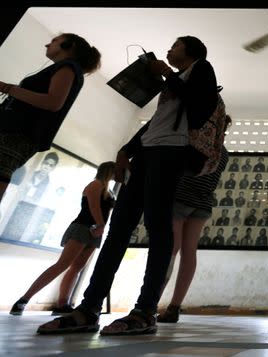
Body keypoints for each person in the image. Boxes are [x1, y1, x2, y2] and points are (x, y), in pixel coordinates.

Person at [36, 36, 219, 336]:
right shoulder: (176, 81)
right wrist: (126, 149)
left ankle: (145, 310)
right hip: (148, 152)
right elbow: (156, 122)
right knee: (119, 227)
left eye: (176, 45)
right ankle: (89, 307)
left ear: (191, 50)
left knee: (159, 230)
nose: (170, 49)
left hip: (171, 152)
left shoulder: (203, 69)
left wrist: (168, 74)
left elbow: (200, 109)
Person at [0, 34, 101, 205]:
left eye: (54, 41)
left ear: (69, 45)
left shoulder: (68, 67)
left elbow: (53, 102)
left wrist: (7, 88)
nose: (47, 44)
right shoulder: (66, 68)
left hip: (15, 135)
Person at [10, 162, 116, 315]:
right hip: (83, 227)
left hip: (95, 232)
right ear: (109, 171)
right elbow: (94, 206)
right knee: (62, 264)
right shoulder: (95, 184)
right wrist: (100, 224)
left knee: (77, 267)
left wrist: (100, 227)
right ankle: (23, 300)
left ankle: (62, 304)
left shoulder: (109, 190)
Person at [155, 116, 231, 324]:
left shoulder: (197, 141)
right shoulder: (223, 153)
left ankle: (150, 303)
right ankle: (174, 307)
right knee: (189, 251)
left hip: (180, 198)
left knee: (170, 250)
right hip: (203, 203)